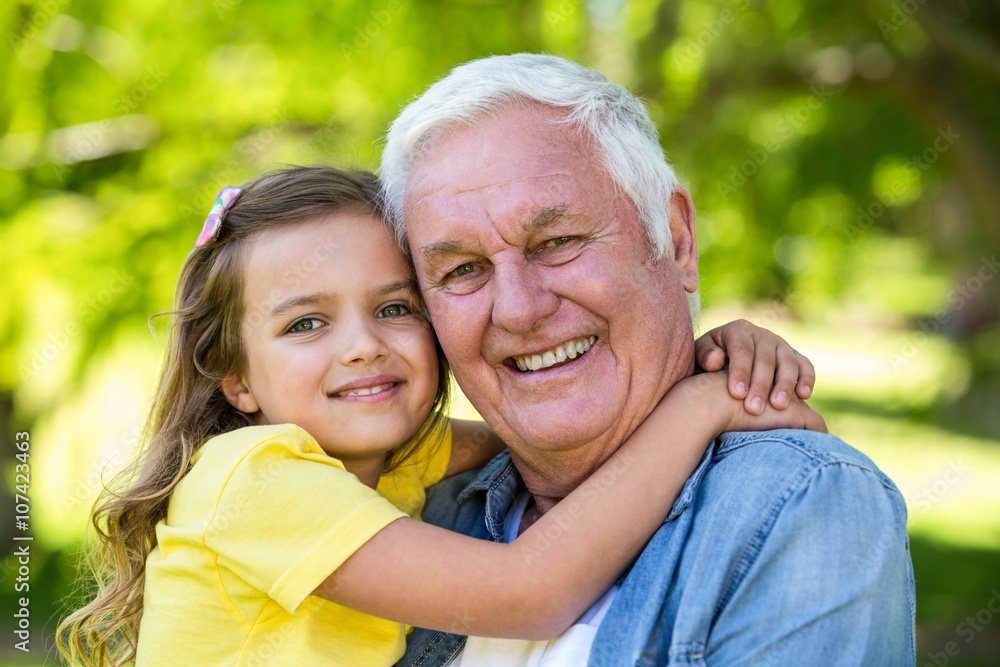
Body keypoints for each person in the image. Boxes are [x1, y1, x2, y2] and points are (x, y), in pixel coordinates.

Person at [56, 166, 824, 667]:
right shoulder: (254, 481)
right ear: (236, 379)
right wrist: (701, 406)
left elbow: (573, 436)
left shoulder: (393, 460)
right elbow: (531, 590)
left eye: (394, 307)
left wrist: (711, 365)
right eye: (305, 324)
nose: (363, 347)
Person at [380, 54, 916, 665]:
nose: (519, 310)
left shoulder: (795, 502)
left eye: (557, 242)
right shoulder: (419, 514)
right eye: (463, 271)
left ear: (677, 240)